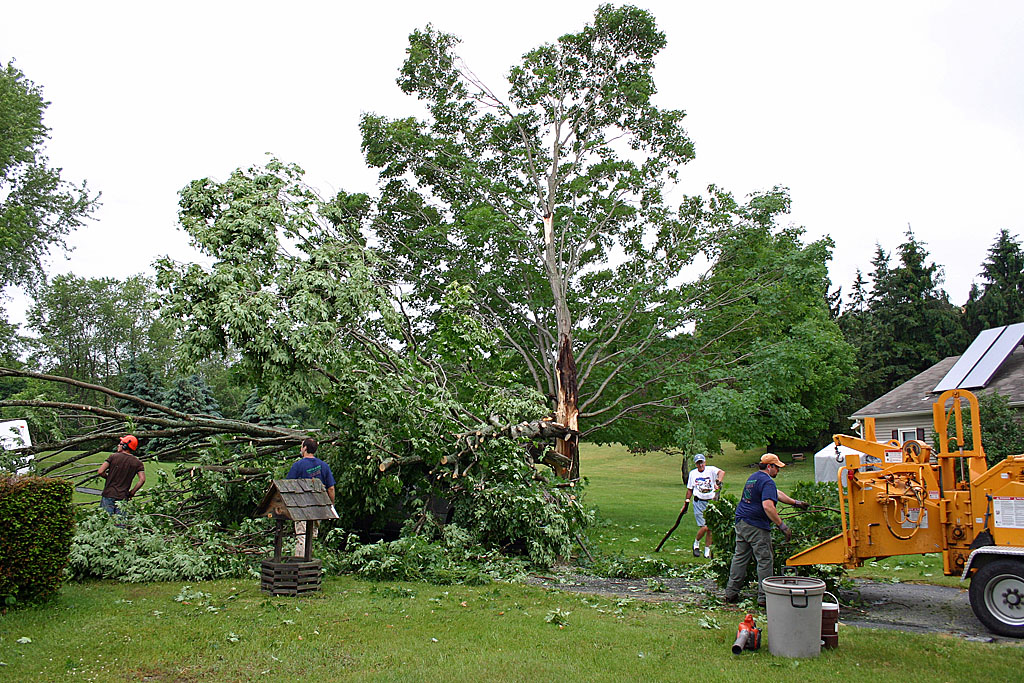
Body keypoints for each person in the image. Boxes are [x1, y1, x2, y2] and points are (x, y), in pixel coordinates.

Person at [723, 453, 808, 606]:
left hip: (742, 522)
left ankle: (731, 593)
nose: (779, 471)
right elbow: (768, 506)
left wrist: (796, 503)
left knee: (740, 558)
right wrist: (782, 525)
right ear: (769, 467)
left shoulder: (754, 477)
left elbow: (775, 494)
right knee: (765, 560)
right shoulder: (767, 481)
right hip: (756, 526)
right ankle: (764, 597)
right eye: (777, 467)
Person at [286, 437, 335, 557]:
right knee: (311, 537)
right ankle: (309, 561)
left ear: (305, 448)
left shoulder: (297, 466)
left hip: (301, 508)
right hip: (318, 508)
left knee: (301, 536)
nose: (300, 449)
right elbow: (331, 488)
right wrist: (330, 505)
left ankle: (300, 564)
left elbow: (287, 486)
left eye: (301, 446)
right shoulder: (324, 466)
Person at [684, 453, 724, 558]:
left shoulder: (711, 470)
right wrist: (686, 502)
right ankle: (696, 544)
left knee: (710, 528)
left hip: (710, 501)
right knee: (705, 527)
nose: (700, 465)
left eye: (702, 462)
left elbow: (721, 472)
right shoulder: (693, 474)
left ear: (705, 462)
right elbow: (690, 489)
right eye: (698, 463)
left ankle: (707, 551)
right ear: (696, 464)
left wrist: (718, 482)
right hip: (699, 501)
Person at [97, 435, 145, 515]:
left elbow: (101, 471)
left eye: (120, 443)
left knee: (105, 521)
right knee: (120, 524)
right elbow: (142, 479)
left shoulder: (113, 457)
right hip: (123, 496)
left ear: (125, 446)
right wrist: (132, 492)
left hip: (109, 493)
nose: (118, 445)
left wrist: (108, 478)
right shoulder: (137, 462)